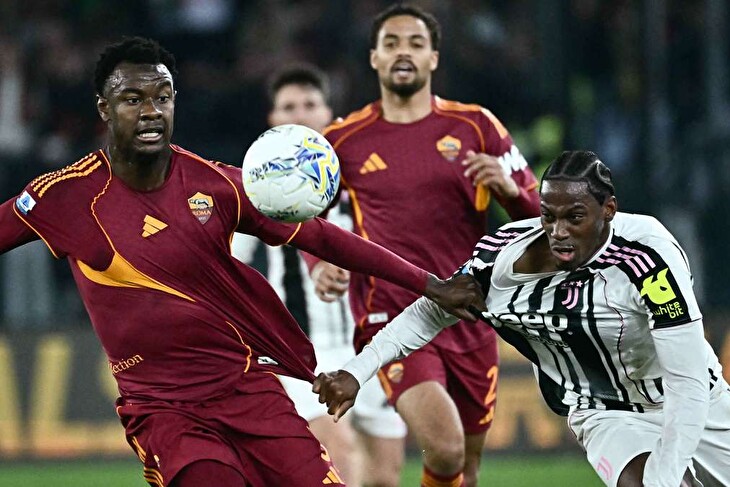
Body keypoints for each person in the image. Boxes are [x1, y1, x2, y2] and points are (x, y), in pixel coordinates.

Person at [0, 37, 485, 487]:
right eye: (133, 99)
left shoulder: (217, 185)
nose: (151, 111)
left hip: (248, 390)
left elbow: (323, 237)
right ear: (104, 108)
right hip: (165, 411)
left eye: (162, 97)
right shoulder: (65, 196)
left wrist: (429, 284)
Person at [315, 150, 730, 487]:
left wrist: (665, 477)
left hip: (696, 402)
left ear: (608, 211)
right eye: (549, 216)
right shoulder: (498, 262)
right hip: (605, 412)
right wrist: (357, 371)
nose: (559, 231)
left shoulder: (648, 258)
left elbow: (688, 380)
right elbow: (428, 314)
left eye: (575, 217)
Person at [306, 4, 541, 486]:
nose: (403, 52)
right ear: (374, 57)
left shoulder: (476, 127)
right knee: (446, 446)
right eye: (391, 43)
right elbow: (309, 217)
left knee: (466, 469)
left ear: (434, 57)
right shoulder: (343, 140)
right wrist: (317, 265)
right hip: (391, 314)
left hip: (471, 313)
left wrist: (510, 192)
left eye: (415, 43)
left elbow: (542, 222)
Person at [231, 64, 407, 486]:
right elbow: (230, 260)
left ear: (329, 114)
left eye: (310, 104)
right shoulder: (259, 187)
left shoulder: (363, 180)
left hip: (371, 340)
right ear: (273, 119)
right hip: (303, 348)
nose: (301, 114)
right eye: (289, 106)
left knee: (384, 475)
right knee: (339, 455)